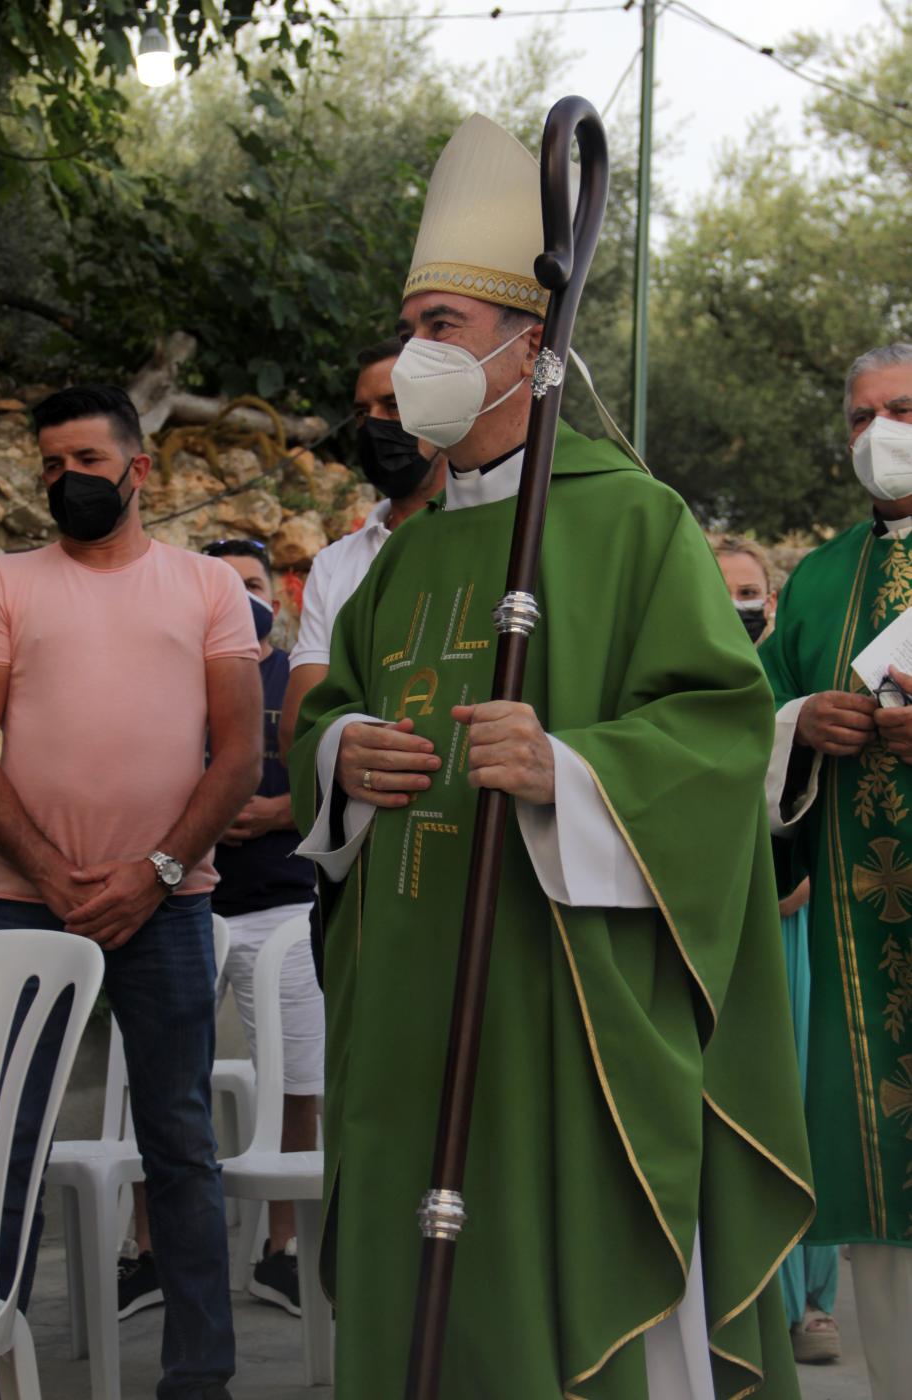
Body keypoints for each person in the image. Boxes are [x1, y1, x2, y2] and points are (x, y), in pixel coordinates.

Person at [288, 113, 813, 1400]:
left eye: (442, 327)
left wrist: (567, 769)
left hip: (549, 1005)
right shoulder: (400, 558)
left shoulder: (634, 525)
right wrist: (344, 754)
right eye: (408, 325)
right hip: (404, 1002)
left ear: (533, 345)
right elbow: (322, 715)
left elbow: (717, 732)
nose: (417, 356)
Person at [0, 384, 263, 1400]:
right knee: (2, 1137)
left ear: (139, 468)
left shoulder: (209, 588)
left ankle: (199, 1375)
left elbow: (242, 750)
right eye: (48, 464)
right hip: (25, 902)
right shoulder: (6, 580)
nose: (63, 480)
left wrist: (156, 871)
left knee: (179, 1138)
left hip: (168, 904)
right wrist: (49, 872)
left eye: (84, 459)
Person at [116, 540, 322, 1322]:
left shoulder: (297, 675)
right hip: (180, 906)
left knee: (298, 1080)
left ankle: (284, 1251)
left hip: (282, 903)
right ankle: (149, 1252)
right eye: (226, 584)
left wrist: (274, 810)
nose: (242, 597)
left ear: (277, 596)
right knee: (160, 1079)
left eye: (254, 585)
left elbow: (332, 772)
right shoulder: (169, 672)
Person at [760, 342, 912, 1399]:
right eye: (860, 418)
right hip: (869, 960)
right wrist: (798, 724)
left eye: (900, 410)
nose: (878, 436)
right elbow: (738, 724)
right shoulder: (818, 578)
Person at [713, 535, 840, 1365]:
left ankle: (814, 1301)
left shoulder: (789, 667)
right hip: (722, 914)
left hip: (795, 913)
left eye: (751, 590)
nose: (739, 604)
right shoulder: (695, 672)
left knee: (804, 1093)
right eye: (722, 590)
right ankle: (749, 1292)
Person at [278, 337, 447, 760]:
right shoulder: (336, 563)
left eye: (393, 406)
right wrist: (346, 756)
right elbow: (301, 727)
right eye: (361, 413)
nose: (373, 425)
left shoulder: (499, 535)